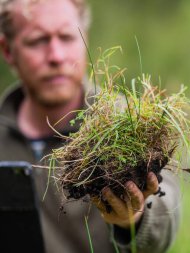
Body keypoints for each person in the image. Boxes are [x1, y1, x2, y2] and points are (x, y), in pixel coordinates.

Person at [0, 0, 180, 252]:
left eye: (66, 37)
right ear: (8, 50)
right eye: (37, 41)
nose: (56, 56)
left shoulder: (131, 122)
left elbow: (166, 212)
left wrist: (133, 219)